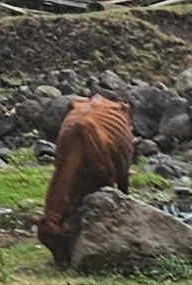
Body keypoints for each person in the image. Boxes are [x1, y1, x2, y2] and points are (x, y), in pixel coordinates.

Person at [37, 94, 135, 265]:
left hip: (105, 154)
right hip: (75, 125)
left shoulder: (98, 160)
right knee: (66, 177)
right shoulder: (65, 148)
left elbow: (109, 180)